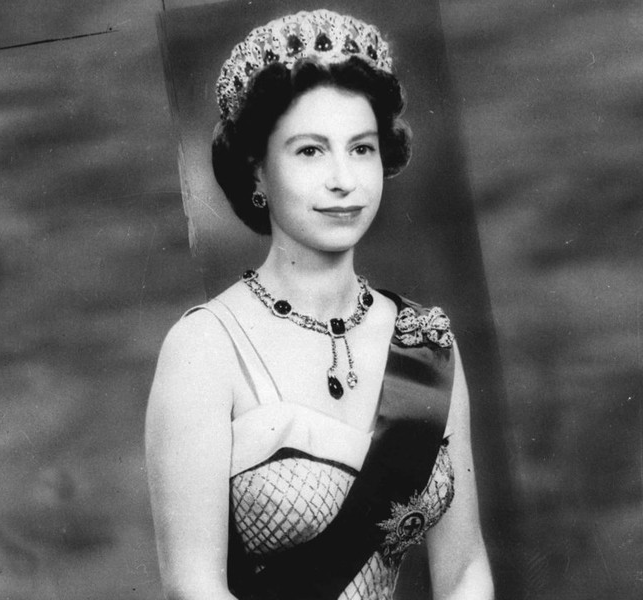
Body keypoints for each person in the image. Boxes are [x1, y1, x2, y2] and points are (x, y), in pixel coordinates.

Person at [145, 9, 493, 600]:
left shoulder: (427, 344)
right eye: (309, 151)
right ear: (257, 170)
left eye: (361, 149)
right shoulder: (203, 349)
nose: (343, 179)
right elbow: (193, 587)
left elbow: (464, 570)